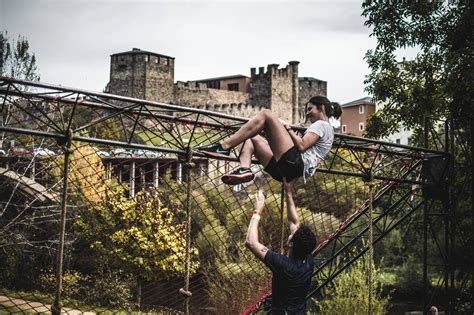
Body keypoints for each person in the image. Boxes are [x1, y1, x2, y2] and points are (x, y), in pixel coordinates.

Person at [198, 96, 341, 185]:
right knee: (251, 136)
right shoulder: (327, 129)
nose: (308, 113)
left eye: (310, 109)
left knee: (266, 113)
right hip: (287, 171)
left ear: (321, 107)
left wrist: (288, 129)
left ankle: (224, 147)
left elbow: (302, 146)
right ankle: (244, 169)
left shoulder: (321, 125)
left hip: (296, 164)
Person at [245, 180, 316, 314]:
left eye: (292, 234)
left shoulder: (284, 265)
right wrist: (288, 193)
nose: (292, 231)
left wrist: (258, 211)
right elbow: (294, 222)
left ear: (291, 243)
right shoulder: (308, 258)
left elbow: (251, 242)